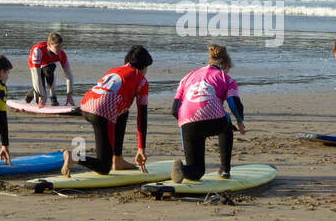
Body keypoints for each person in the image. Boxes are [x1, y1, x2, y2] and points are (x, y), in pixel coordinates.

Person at [64, 45, 151, 177]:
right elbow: (142, 116)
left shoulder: (116, 70)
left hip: (86, 103)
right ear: (144, 66)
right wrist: (141, 148)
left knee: (123, 111)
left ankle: (118, 159)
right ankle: (75, 157)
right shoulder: (141, 80)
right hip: (102, 110)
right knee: (104, 167)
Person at [171, 45, 246, 183]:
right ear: (227, 65)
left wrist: (194, 129)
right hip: (213, 120)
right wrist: (240, 121)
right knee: (228, 123)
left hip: (187, 121)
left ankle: (183, 169)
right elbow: (233, 103)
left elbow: (175, 110)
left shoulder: (187, 77)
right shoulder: (226, 78)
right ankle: (224, 170)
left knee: (197, 171)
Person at [25, 32, 76, 106]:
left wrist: (69, 95)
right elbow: (36, 75)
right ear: (49, 45)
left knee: (49, 70)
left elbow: (69, 76)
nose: (60, 49)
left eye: (61, 46)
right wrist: (41, 95)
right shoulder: (38, 51)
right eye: (57, 46)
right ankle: (31, 94)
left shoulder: (62, 54)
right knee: (40, 94)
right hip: (35, 65)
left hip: (48, 65)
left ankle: (53, 97)